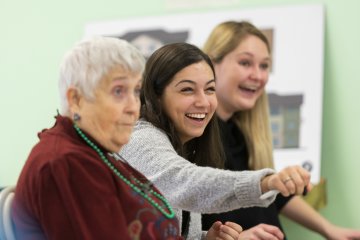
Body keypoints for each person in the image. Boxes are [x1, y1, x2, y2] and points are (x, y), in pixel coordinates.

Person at [119, 42, 310, 239]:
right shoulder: (139, 137)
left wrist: (206, 238)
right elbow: (186, 183)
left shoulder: (186, 147)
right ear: (156, 96)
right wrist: (265, 182)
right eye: (187, 90)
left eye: (210, 89)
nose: (203, 102)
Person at [201, 20, 360, 240]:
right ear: (211, 64)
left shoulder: (240, 133)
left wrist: (329, 229)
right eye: (245, 63)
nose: (258, 75)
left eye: (264, 65)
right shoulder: (195, 136)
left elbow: (273, 196)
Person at [12, 36, 183, 240]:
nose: (133, 107)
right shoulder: (67, 163)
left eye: (136, 91)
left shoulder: (91, 149)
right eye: (118, 91)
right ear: (76, 99)